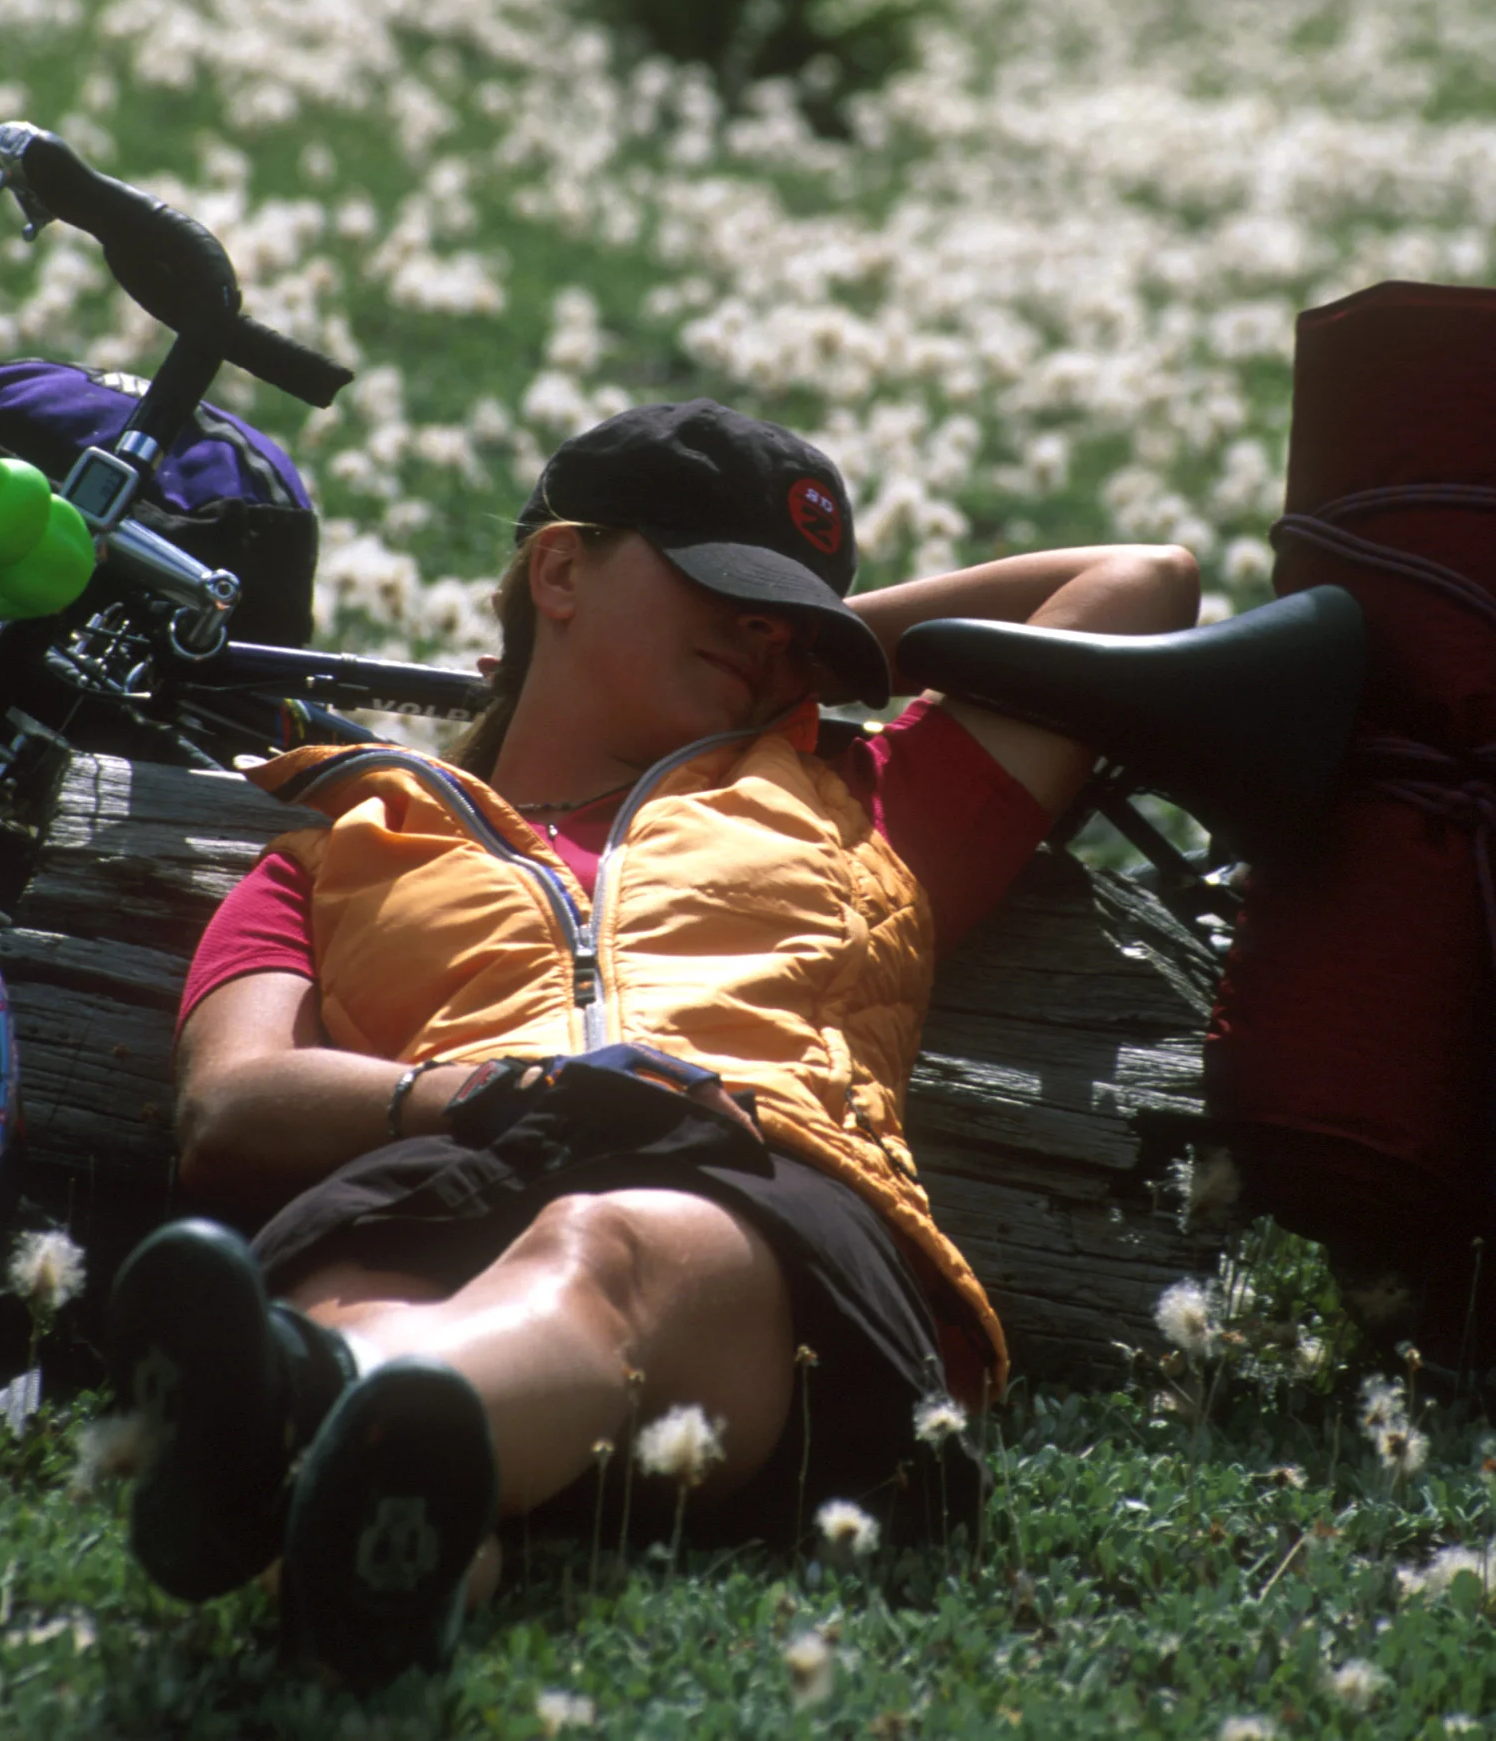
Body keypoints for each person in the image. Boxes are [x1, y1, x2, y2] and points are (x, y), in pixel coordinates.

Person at [106, 399, 1198, 1687]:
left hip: (755, 1195)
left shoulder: (866, 801)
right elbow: (229, 1105)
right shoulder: (340, 853)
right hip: (435, 1163)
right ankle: (401, 1530)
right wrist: (485, 1093)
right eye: (723, 587)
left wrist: (810, 662)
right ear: (558, 568)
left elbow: (1137, 584)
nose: (763, 632)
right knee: (374, 1309)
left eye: (791, 619)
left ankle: (311, 1407)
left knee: (599, 1250)